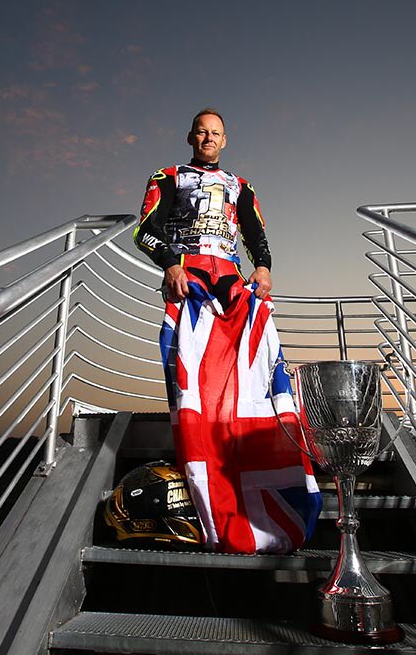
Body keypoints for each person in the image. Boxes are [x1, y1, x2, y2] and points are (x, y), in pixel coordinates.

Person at [134, 108, 321, 554]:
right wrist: (172, 264)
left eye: (216, 133)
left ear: (225, 140)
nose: (208, 138)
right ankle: (207, 497)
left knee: (257, 375)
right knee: (191, 385)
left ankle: (266, 494)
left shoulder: (242, 186)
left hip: (234, 288)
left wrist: (264, 268)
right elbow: (145, 230)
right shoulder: (167, 175)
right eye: (202, 132)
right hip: (190, 284)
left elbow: (257, 234)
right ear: (190, 136)